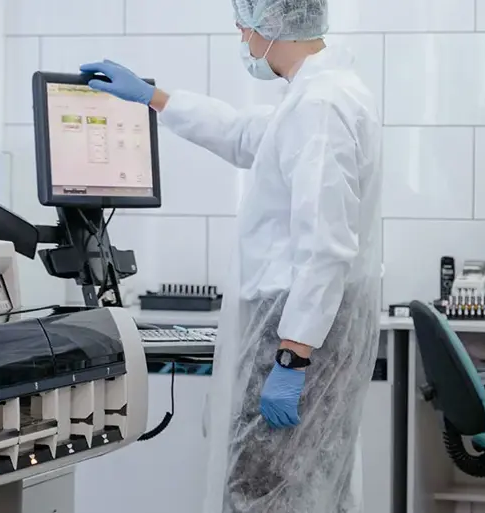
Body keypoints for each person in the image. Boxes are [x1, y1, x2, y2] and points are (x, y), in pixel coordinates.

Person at [81, 0, 382, 510]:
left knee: (267, 490)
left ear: (274, 22)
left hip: (293, 334)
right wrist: (153, 97)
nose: (243, 36)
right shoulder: (319, 95)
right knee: (303, 486)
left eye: (246, 25)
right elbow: (244, 135)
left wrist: (292, 356)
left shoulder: (320, 108)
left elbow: (325, 247)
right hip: (298, 325)